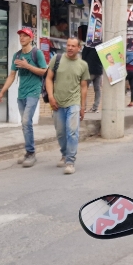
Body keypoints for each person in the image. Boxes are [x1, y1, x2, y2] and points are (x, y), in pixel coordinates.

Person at [0, 27, 47, 167]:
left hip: (33, 92)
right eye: (20, 36)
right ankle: (28, 152)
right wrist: (2, 92)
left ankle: (31, 153)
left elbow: (44, 72)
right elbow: (12, 75)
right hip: (21, 94)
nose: (22, 38)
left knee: (26, 121)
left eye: (25, 36)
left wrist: (28, 66)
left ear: (31, 38)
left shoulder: (37, 53)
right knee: (25, 124)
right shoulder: (17, 56)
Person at [45, 37, 90, 175]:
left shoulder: (83, 65)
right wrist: (51, 97)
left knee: (72, 131)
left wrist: (82, 107)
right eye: (68, 45)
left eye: (73, 46)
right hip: (57, 102)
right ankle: (64, 154)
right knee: (60, 132)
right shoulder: (57, 59)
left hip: (74, 102)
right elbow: (48, 78)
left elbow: (83, 87)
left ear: (78, 48)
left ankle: (70, 161)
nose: (70, 48)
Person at [78, 25, 104, 113]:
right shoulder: (101, 45)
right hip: (99, 70)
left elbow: (83, 58)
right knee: (97, 89)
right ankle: (95, 107)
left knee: (84, 87)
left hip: (89, 70)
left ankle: (83, 107)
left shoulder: (88, 45)